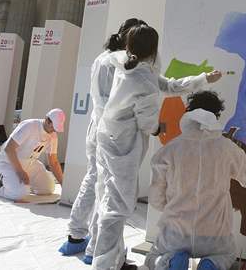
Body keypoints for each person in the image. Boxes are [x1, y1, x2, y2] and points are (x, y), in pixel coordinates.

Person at [92, 24, 222, 270]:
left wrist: (204, 79)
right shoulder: (144, 80)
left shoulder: (125, 64)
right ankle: (104, 264)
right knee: (117, 206)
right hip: (122, 144)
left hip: (107, 137)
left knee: (110, 199)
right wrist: (156, 128)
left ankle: (112, 260)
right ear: (153, 50)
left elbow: (170, 85)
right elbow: (147, 120)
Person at [145, 91, 246, 270]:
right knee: (226, 255)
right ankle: (211, 264)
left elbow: (155, 198)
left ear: (188, 113)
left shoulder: (170, 149)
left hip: (176, 231)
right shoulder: (227, 148)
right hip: (215, 233)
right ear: (216, 116)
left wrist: (172, 207)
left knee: (153, 257)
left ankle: (172, 261)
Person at [59, 18, 141, 259]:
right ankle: (96, 248)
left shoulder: (102, 57)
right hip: (112, 129)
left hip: (97, 126)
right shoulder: (119, 62)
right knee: (108, 188)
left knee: (94, 178)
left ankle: (76, 235)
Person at [0, 108, 66, 201]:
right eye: (52, 127)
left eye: (56, 129)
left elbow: (53, 162)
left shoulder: (53, 135)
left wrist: (64, 185)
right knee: (19, 195)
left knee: (47, 189)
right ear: (47, 120)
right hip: (9, 163)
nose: (53, 131)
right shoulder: (30, 126)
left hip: (30, 164)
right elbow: (9, 149)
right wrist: (20, 172)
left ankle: (22, 186)